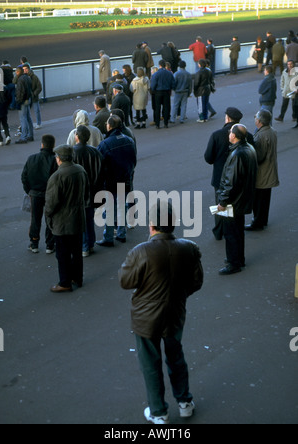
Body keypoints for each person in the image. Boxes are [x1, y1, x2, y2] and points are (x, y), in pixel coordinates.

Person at [118, 201, 204, 425]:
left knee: (150, 363)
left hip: (146, 317)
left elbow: (125, 281)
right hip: (175, 313)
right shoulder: (189, 248)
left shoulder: (141, 252)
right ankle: (184, 402)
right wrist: (178, 295)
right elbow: (196, 282)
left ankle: (158, 412)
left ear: (152, 226)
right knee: (176, 356)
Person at [205, 108, 254, 241]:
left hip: (220, 177)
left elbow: (208, 158)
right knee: (236, 206)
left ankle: (220, 231)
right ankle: (233, 230)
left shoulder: (216, 135)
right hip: (241, 179)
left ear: (227, 118)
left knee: (220, 204)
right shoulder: (248, 136)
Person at [45, 144, 89, 293]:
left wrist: (48, 215)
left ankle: (64, 282)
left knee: (62, 253)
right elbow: (87, 193)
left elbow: (52, 203)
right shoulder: (80, 170)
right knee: (76, 251)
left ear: (59, 159)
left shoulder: (57, 176)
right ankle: (77, 278)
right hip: (78, 218)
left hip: (62, 221)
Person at [217, 124, 258, 275]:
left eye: (230, 132)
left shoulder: (237, 154)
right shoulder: (248, 148)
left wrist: (222, 203)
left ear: (234, 136)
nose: (228, 134)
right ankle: (239, 259)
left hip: (233, 203)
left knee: (231, 233)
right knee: (238, 232)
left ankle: (233, 263)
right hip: (242, 200)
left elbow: (231, 183)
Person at [96, 115, 137, 247]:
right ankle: (121, 233)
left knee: (110, 209)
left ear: (109, 126)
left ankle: (108, 237)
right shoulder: (129, 140)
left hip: (111, 181)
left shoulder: (105, 144)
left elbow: (100, 165)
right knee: (122, 206)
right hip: (125, 178)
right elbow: (133, 160)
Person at [21, 135, 57, 254]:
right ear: (53, 145)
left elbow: (24, 177)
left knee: (35, 219)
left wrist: (29, 191)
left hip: (35, 194)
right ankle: (50, 245)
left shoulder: (31, 158)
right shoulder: (54, 160)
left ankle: (34, 242)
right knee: (50, 219)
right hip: (49, 194)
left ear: (42, 144)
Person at [245, 110, 279, 231]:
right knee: (265, 199)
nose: (255, 120)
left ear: (259, 121)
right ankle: (262, 220)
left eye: (256, 118)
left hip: (262, 174)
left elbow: (259, 156)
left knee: (258, 200)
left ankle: (257, 222)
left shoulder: (261, 135)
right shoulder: (271, 131)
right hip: (269, 171)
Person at [73, 125, 104, 257]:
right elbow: (101, 171)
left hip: (79, 193)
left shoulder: (73, 152)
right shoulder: (95, 152)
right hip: (93, 191)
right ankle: (90, 244)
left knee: (81, 221)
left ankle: (85, 246)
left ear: (77, 137)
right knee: (90, 218)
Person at [150, 59, 175, 129]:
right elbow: (173, 83)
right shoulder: (169, 73)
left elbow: (153, 85)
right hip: (166, 92)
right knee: (166, 107)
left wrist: (154, 90)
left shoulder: (156, 74)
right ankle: (166, 123)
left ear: (159, 65)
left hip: (158, 92)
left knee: (157, 108)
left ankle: (157, 124)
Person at [15, 66, 34, 144]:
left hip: (23, 101)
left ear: (18, 72)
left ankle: (23, 137)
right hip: (28, 99)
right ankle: (30, 135)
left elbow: (20, 92)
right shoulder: (28, 78)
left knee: (23, 119)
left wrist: (18, 101)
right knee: (28, 117)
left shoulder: (20, 80)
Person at [171, 60, 192, 124]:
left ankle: (173, 119)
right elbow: (190, 85)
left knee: (175, 105)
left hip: (178, 91)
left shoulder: (176, 73)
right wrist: (189, 92)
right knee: (184, 105)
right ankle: (182, 119)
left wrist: (174, 89)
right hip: (185, 91)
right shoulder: (188, 74)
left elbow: (173, 83)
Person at [22, 63, 42, 129]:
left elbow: (39, 87)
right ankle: (28, 125)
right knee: (26, 112)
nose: (25, 70)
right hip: (27, 97)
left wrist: (34, 94)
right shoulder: (23, 77)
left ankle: (39, 123)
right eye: (23, 69)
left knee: (36, 110)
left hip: (33, 97)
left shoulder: (34, 77)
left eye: (26, 69)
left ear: (29, 69)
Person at [194, 58, 213, 123]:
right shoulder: (208, 71)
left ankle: (201, 118)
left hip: (200, 90)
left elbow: (196, 83)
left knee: (200, 104)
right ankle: (205, 117)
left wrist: (195, 90)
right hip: (207, 89)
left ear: (199, 65)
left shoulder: (198, 73)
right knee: (205, 103)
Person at [0, 81, 11, 146]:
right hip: (3, 107)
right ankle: (7, 135)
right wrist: (6, 105)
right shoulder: (4, 87)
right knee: (5, 123)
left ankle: (0, 139)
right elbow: (9, 97)